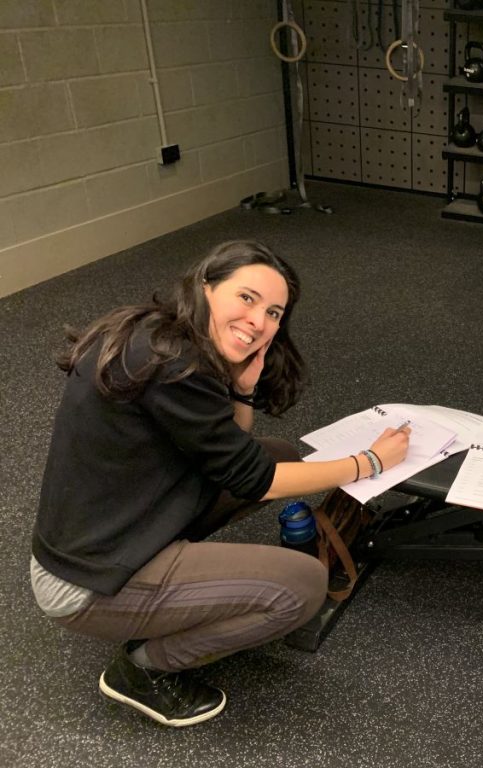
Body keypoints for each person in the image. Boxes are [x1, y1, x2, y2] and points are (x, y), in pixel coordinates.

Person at [30, 241, 411, 727]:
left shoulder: (167, 336)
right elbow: (257, 480)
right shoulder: (171, 366)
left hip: (111, 528)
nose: (259, 322)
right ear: (206, 286)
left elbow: (236, 453)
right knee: (301, 586)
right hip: (83, 583)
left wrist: (242, 390)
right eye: (247, 298)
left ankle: (172, 589)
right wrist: (369, 461)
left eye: (273, 313)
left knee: (279, 454)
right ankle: (144, 670)